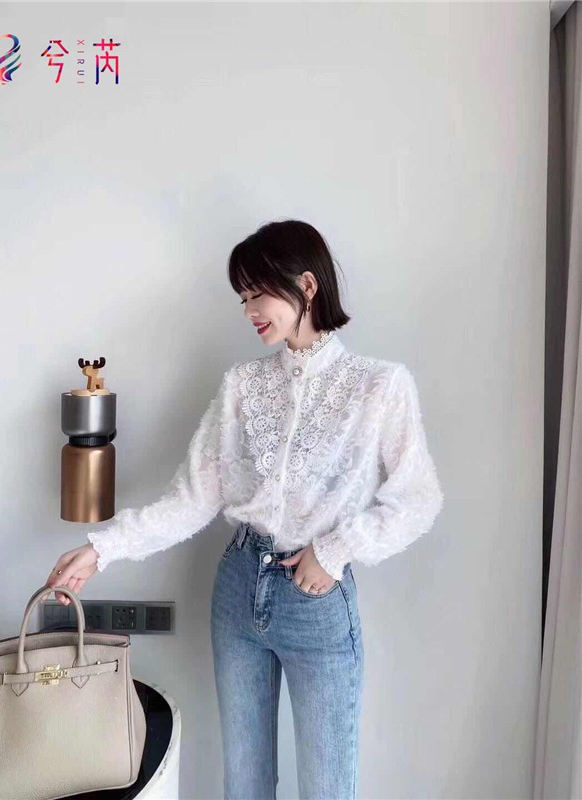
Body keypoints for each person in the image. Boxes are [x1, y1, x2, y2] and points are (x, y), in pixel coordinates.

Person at [45, 219, 444, 800]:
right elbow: (191, 500)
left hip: (317, 602)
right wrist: (100, 549)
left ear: (307, 285)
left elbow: (418, 498)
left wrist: (334, 551)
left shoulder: (380, 387)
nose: (249, 310)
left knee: (328, 787)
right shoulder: (242, 385)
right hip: (237, 590)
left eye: (258, 293)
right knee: (245, 783)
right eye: (243, 298)